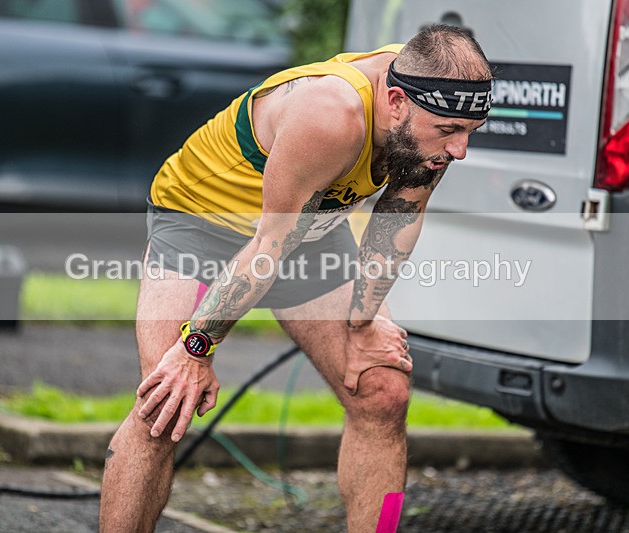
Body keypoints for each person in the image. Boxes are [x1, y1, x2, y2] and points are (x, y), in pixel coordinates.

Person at [100, 24, 492, 532]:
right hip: (204, 222)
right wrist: (195, 349)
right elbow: (267, 249)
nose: (459, 150)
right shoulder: (331, 114)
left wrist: (363, 320)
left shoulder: (432, 100)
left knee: (382, 392)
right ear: (395, 103)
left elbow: (396, 221)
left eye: (469, 133)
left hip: (306, 226)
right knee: (165, 403)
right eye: (448, 133)